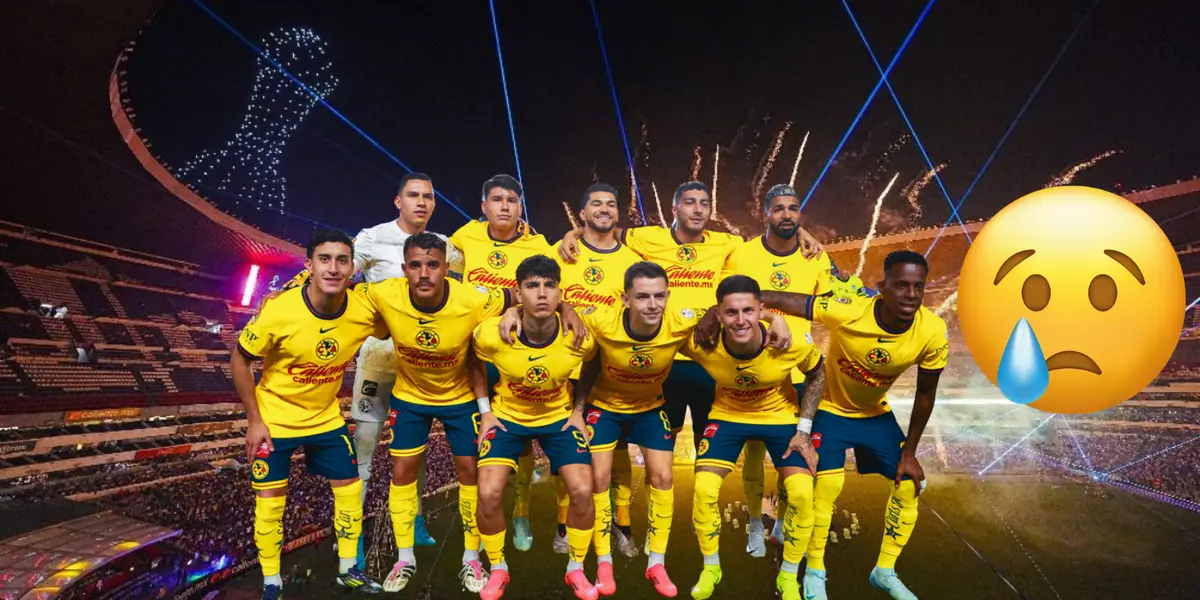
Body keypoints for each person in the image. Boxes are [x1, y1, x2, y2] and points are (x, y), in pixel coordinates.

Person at [757, 250, 949, 600]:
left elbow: (925, 394)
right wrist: (741, 305)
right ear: (882, 287)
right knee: (826, 489)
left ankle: (884, 571)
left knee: (909, 485)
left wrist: (909, 452)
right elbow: (782, 299)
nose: (911, 294)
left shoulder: (932, 331)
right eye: (901, 285)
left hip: (874, 413)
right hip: (829, 409)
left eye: (918, 287)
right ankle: (815, 572)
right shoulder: (847, 309)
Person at [231, 229, 385, 599]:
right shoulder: (279, 310)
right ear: (309, 266)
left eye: (342, 260)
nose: (333, 268)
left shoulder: (364, 310)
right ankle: (271, 583)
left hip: (325, 418)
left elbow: (402, 316)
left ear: (352, 268)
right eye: (324, 259)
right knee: (270, 506)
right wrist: (254, 421)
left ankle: (348, 569)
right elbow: (239, 358)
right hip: (275, 420)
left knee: (350, 490)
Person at [355, 233, 509, 593]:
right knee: (402, 473)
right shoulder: (384, 293)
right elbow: (339, 293)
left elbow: (515, 295)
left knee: (471, 473)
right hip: (410, 397)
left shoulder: (472, 298)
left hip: (460, 397)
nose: (424, 273)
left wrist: (534, 310)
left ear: (446, 268)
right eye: (415, 265)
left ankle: (471, 557)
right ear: (404, 268)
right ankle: (404, 558)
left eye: (433, 265)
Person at [683, 275, 826, 600]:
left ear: (762, 310)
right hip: (728, 415)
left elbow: (818, 374)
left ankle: (788, 577)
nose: (740, 320)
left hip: (779, 416)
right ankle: (711, 568)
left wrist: (804, 430)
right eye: (731, 312)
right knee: (703, 489)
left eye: (748, 311)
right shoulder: (701, 342)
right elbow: (658, 325)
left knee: (803, 494)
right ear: (718, 314)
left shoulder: (790, 341)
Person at [472, 256, 600, 600]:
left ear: (560, 293)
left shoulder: (580, 338)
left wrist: (579, 410)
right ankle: (498, 568)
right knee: (488, 493)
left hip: (558, 418)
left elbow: (593, 363)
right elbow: (472, 359)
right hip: (507, 417)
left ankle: (576, 568)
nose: (542, 293)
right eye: (532, 286)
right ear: (518, 294)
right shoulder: (493, 334)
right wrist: (485, 411)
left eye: (549, 285)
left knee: (583, 491)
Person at [350, 173, 464, 560]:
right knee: (364, 449)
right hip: (378, 362)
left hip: (422, 369)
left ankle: (413, 521)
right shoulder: (371, 238)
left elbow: (474, 276)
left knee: (413, 453)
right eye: (413, 195)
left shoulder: (445, 245)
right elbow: (339, 272)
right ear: (398, 201)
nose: (421, 202)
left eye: (428, 196)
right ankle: (352, 537)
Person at [450, 174, 560, 552]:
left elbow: (553, 287)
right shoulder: (465, 236)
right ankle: (481, 522)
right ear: (484, 206)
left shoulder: (537, 244)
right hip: (473, 355)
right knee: (477, 440)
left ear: (520, 207)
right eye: (496, 199)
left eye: (512, 200)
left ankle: (521, 512)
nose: (504, 206)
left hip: (517, 351)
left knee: (523, 441)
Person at [722, 184, 833, 554]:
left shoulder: (816, 257)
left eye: (794, 209)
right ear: (765, 213)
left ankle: (782, 524)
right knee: (753, 455)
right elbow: (726, 302)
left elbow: (829, 305)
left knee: (794, 455)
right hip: (757, 367)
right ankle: (756, 524)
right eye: (779, 209)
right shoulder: (742, 254)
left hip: (801, 369)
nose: (787, 215)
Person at [551, 183, 644, 557]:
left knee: (618, 449)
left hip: (610, 368)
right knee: (567, 447)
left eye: (610, 204)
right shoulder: (561, 252)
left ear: (617, 213)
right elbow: (539, 292)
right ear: (582, 213)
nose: (604, 209)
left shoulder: (632, 260)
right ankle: (563, 524)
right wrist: (566, 307)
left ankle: (623, 525)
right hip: (564, 366)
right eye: (596, 204)